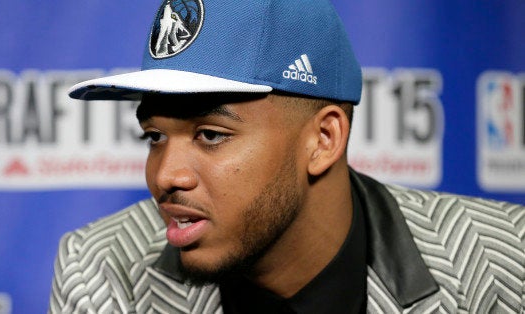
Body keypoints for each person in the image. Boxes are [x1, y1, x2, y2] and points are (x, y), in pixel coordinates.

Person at [49, 0, 525, 313]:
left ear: (324, 139)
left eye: (211, 135)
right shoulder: (100, 273)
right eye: (153, 136)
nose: (166, 175)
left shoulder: (506, 261)